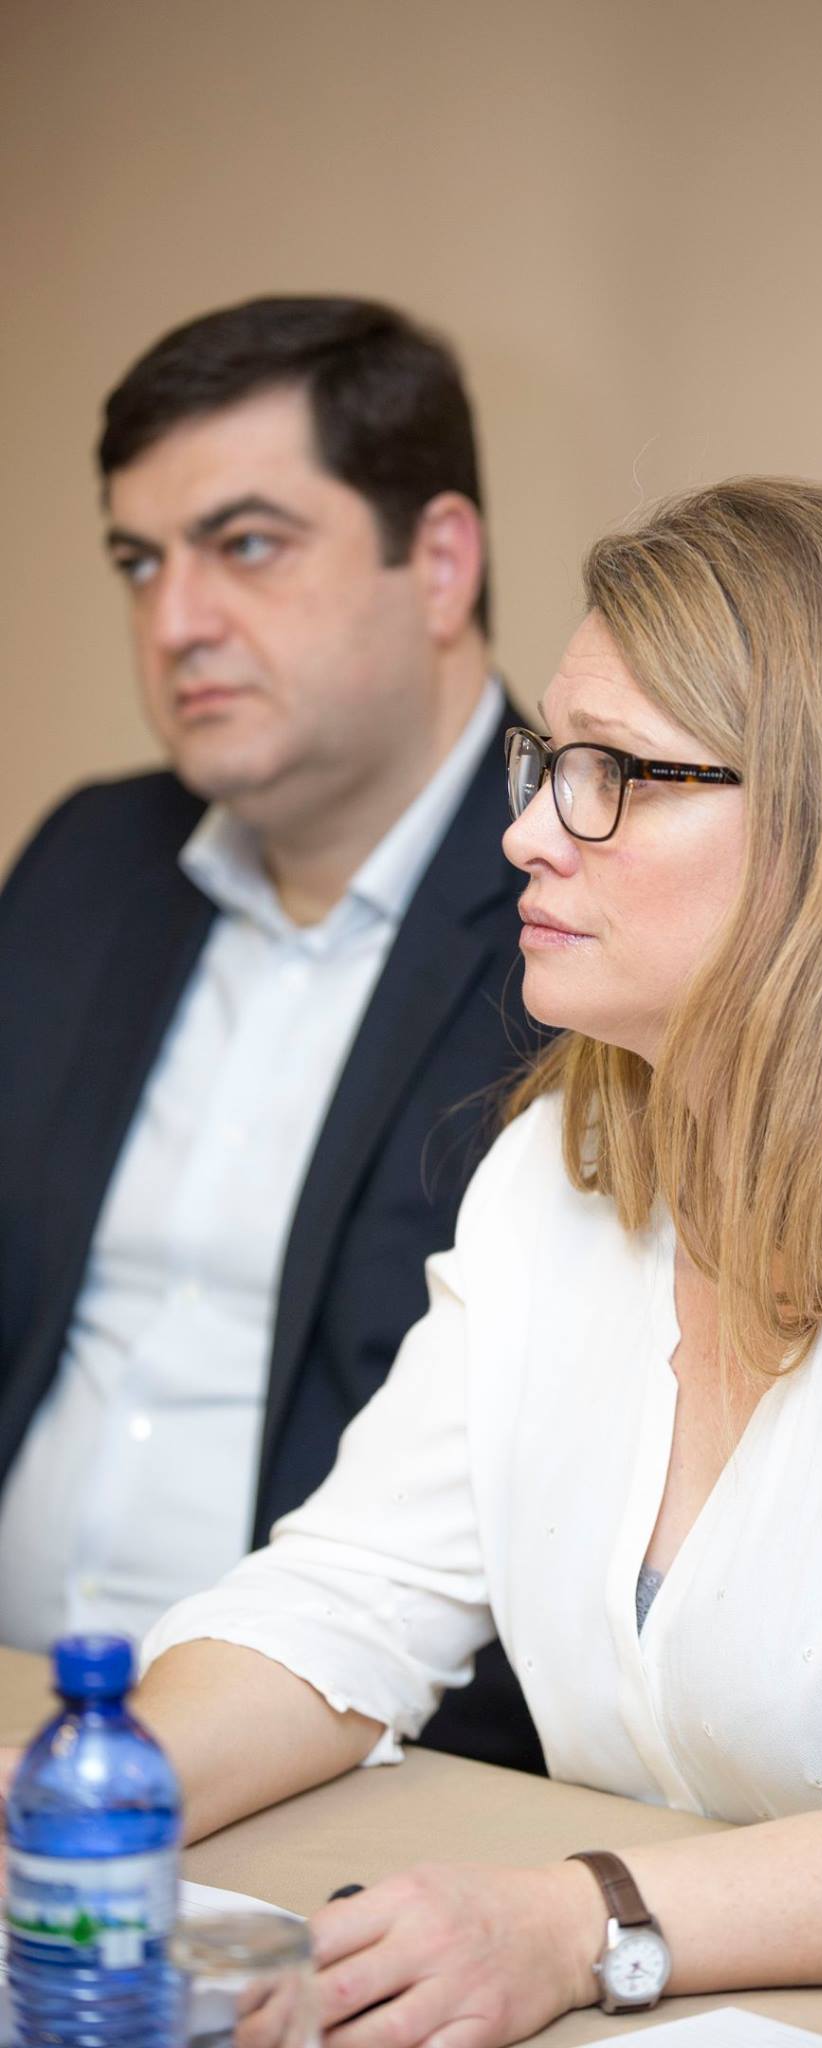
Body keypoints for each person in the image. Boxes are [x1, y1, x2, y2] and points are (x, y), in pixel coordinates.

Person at [12, 478, 822, 2041]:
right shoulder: (565, 1163)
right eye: (545, 762)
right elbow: (349, 1594)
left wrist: (578, 1923)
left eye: (612, 775)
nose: (526, 830)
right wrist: (77, 1804)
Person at [0, 296, 543, 1772]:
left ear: (439, 563)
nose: (175, 621)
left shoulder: (583, 912)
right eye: (139, 561)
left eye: (245, 545)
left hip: (368, 1771)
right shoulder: (88, 864)